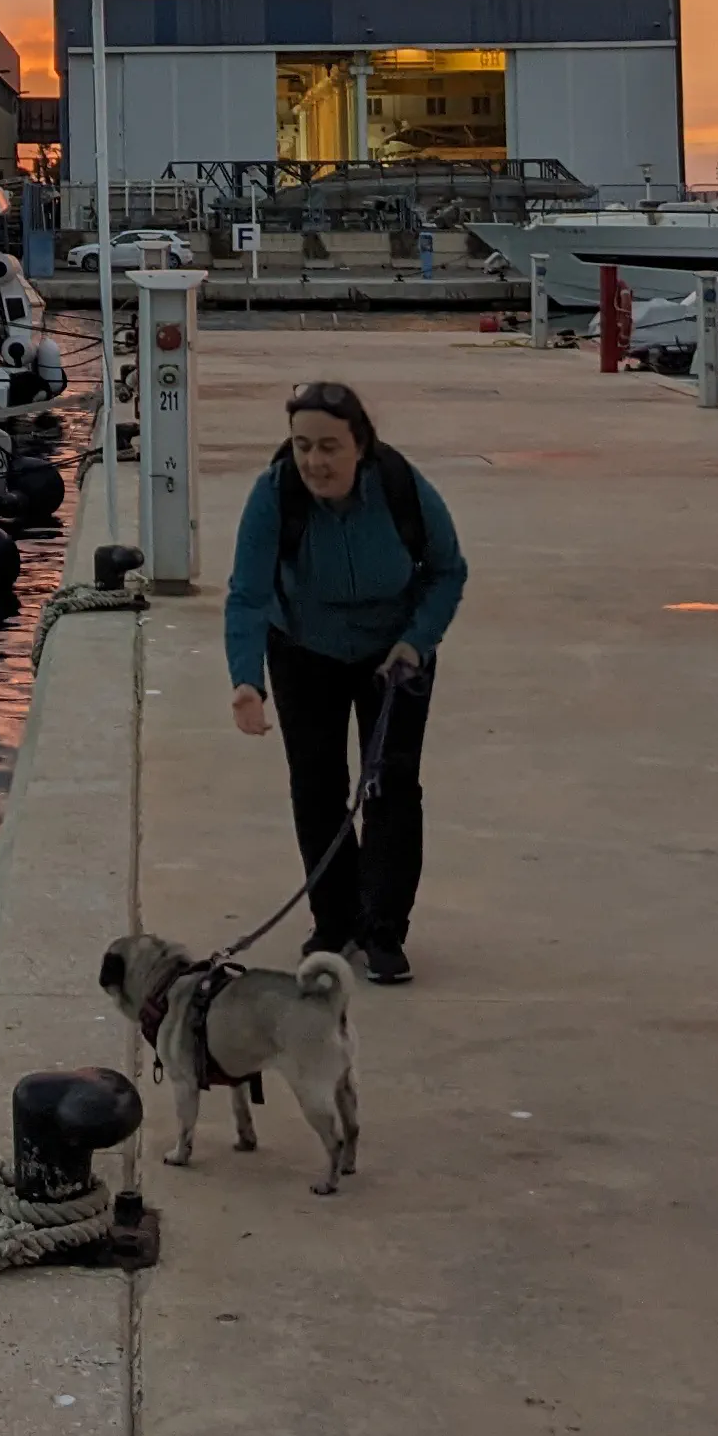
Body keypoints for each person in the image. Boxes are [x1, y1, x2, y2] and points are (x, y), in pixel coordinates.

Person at [223, 376, 467, 985]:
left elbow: (447, 571)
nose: (314, 461)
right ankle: (333, 920)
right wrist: (247, 682)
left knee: (390, 786)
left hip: (394, 653)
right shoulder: (275, 494)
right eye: (302, 445)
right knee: (317, 788)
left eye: (329, 446)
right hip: (305, 648)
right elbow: (247, 594)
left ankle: (384, 929)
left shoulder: (401, 486)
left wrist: (417, 640)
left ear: (360, 444)